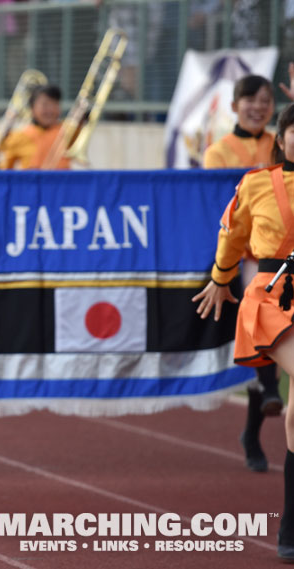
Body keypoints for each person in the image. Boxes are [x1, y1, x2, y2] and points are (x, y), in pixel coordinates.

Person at [193, 102, 294, 562]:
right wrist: (218, 278)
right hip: (273, 298)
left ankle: (289, 526)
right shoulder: (257, 181)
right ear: (283, 135)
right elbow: (231, 235)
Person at [202, 74, 281, 473]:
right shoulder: (219, 152)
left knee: (267, 344)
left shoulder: (279, 141)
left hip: (280, 259)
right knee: (262, 340)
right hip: (244, 261)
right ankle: (260, 412)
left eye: (265, 100)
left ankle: (254, 426)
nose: (258, 106)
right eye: (249, 99)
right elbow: (222, 210)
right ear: (234, 105)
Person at [0, 84, 71, 170]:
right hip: (31, 182)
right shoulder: (21, 136)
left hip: (63, 182)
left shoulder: (69, 131)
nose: (50, 110)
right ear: (32, 108)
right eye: (45, 104)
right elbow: (5, 168)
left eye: (55, 104)